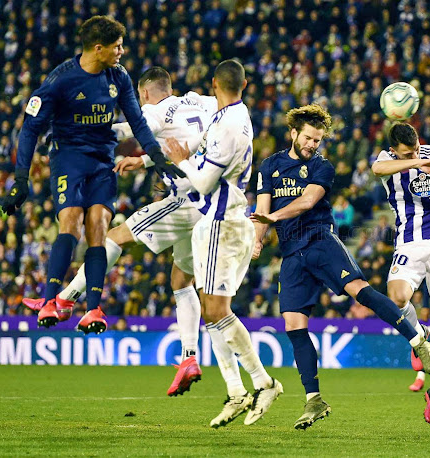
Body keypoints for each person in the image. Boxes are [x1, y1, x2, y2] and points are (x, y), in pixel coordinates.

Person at [22, 66, 217, 396]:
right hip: (214, 202)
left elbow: (127, 129)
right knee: (181, 280)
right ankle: (189, 357)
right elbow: (192, 138)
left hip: (186, 199)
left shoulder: (153, 111)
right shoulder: (200, 101)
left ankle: (64, 299)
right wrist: (143, 163)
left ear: (142, 94)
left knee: (115, 236)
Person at [250, 105, 430, 430]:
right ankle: (314, 400)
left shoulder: (322, 166)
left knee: (360, 292)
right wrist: (256, 242)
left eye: (317, 140)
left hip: (321, 241)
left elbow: (307, 201)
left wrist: (275, 218)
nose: (312, 144)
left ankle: (418, 341)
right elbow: (262, 210)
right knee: (294, 325)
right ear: (294, 133)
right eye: (308, 138)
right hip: (292, 253)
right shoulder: (269, 166)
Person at [1, 16, 182, 334]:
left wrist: (156, 157)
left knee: (99, 225)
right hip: (67, 158)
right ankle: (49, 301)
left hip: (102, 160)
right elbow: (30, 129)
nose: (122, 51)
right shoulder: (61, 80)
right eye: (117, 47)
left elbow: (137, 122)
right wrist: (21, 179)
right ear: (98, 49)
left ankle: (94, 309)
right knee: (70, 220)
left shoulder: (119, 76)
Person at [164, 59, 282, 428]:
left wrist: (183, 161)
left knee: (216, 310)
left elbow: (201, 182)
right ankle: (235, 391)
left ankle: (264, 383)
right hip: (213, 222)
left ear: (214, 82)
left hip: (222, 221)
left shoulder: (230, 124)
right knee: (209, 310)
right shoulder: (227, 114)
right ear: (245, 84)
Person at [371, 122, 430, 425]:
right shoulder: (387, 158)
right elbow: (377, 169)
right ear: (396, 150)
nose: (419, 153)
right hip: (409, 241)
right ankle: (420, 337)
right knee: (396, 298)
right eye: (409, 152)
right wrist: (416, 162)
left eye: (418, 147)